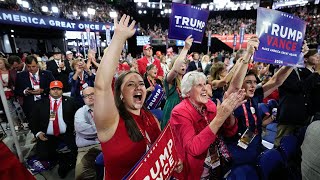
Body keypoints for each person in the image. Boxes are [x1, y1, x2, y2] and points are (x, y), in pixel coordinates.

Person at [94, 15, 181, 179]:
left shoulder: (151, 117)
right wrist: (118, 38)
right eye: (130, 84)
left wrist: (173, 160)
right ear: (120, 95)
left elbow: (161, 151)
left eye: (140, 83)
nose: (138, 87)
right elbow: (101, 86)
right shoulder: (111, 121)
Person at [223, 37, 309, 167]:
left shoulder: (255, 96)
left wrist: (295, 58)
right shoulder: (231, 99)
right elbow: (234, 87)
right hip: (237, 154)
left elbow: (277, 81)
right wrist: (248, 54)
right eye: (248, 82)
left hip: (256, 147)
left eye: (254, 82)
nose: (253, 85)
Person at [170, 71, 246, 179]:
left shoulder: (209, 104)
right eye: (199, 85)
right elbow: (193, 148)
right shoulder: (179, 112)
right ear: (187, 92)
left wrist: (229, 114)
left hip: (219, 163)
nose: (205, 88)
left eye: (205, 84)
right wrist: (220, 118)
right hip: (196, 171)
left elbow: (230, 132)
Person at [30, 80, 79, 178]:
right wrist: (38, 133)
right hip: (47, 135)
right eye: (53, 89)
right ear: (49, 90)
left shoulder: (70, 101)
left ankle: (64, 163)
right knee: (43, 155)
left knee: (76, 151)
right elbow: (33, 121)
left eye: (58, 89)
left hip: (67, 133)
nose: (56, 91)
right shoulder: (39, 104)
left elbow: (77, 116)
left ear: (62, 90)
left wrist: (76, 129)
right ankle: (61, 158)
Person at [275, 49, 319, 146]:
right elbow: (300, 87)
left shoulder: (307, 73)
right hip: (289, 116)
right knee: (280, 147)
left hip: (303, 117)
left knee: (295, 149)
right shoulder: (288, 72)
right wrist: (316, 73)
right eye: (315, 55)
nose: (318, 57)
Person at [161, 36, 192, 129]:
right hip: (171, 113)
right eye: (181, 64)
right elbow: (175, 69)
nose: (183, 66)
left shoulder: (187, 80)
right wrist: (185, 48)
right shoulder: (170, 80)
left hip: (185, 113)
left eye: (185, 64)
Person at [15, 56, 54, 123]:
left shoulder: (47, 74)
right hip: (30, 105)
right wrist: (25, 92)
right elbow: (17, 91)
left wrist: (43, 90)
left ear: (37, 64)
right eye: (29, 67)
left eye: (33, 66)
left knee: (49, 123)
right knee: (34, 125)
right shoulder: (20, 75)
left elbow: (53, 87)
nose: (31, 69)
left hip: (46, 103)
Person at [74, 87, 101, 180]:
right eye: (86, 96)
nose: (89, 97)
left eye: (92, 94)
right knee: (80, 175)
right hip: (86, 148)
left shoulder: (107, 108)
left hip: (107, 143)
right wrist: (105, 129)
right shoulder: (79, 112)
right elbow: (83, 129)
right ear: (83, 99)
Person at [0, 57, 22, 130]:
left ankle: (23, 122)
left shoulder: (11, 71)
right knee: (10, 109)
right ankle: (16, 124)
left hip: (14, 91)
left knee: (19, 107)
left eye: (0, 63)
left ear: (4, 63)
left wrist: (10, 85)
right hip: (4, 93)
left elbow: (15, 81)